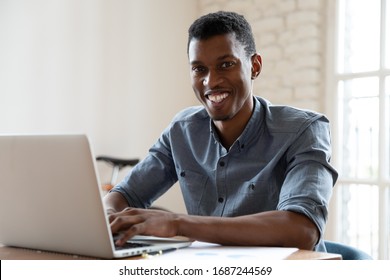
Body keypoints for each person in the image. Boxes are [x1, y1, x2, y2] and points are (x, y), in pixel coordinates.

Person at [104, 11, 338, 252]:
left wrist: (177, 224)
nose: (211, 81)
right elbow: (126, 194)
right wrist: (108, 215)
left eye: (226, 65)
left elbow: (303, 230)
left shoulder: (304, 130)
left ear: (254, 66)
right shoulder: (182, 130)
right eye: (199, 69)